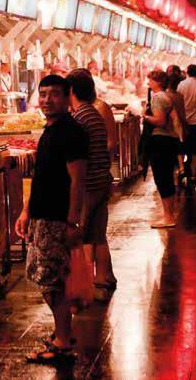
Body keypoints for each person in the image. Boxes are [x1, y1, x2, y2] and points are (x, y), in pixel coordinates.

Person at [14, 75, 87, 364]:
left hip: (57, 219)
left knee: (51, 283)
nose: (47, 100)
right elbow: (41, 177)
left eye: (54, 94)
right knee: (48, 280)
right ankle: (63, 335)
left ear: (68, 96)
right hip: (43, 217)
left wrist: (72, 223)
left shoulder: (70, 132)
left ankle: (63, 342)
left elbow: (77, 181)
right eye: (42, 94)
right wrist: (26, 211)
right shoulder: (51, 130)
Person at [66, 69, 117, 301]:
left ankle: (84, 287)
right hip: (100, 182)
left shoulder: (79, 119)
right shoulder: (93, 114)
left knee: (80, 236)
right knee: (97, 234)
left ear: (71, 91)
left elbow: (77, 158)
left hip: (87, 185)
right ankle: (103, 278)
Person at [143, 70, 180, 227]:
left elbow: (160, 121)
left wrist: (145, 116)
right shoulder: (166, 96)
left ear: (157, 82)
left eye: (150, 80)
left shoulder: (157, 98)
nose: (148, 83)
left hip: (160, 140)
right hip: (169, 140)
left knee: (162, 178)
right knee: (167, 178)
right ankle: (170, 214)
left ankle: (168, 217)